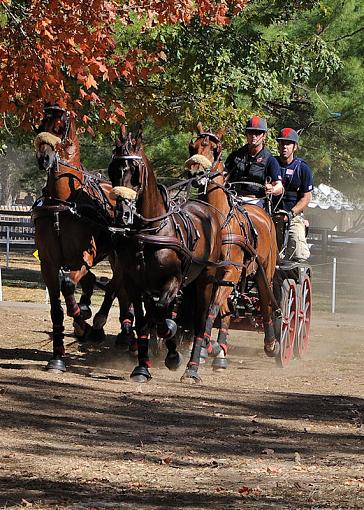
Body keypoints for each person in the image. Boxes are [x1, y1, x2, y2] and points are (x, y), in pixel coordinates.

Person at [224, 116, 283, 209]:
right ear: (246, 134)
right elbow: (224, 175)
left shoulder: (270, 160)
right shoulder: (235, 156)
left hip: (256, 202)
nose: (254, 136)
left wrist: (272, 189)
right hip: (232, 198)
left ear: (264, 135)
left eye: (258, 133)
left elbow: (279, 187)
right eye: (251, 132)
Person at [274, 128, 313, 262]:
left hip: (293, 217)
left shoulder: (303, 168)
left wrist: (290, 214)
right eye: (282, 143)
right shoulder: (271, 163)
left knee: (299, 252)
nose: (284, 146)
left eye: (288, 143)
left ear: (295, 146)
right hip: (270, 216)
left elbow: (306, 197)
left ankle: (298, 274)